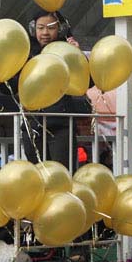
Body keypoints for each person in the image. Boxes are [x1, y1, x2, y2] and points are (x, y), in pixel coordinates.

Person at [25, 9, 91, 169]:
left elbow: (87, 82)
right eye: (40, 28)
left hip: (61, 124)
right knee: (36, 175)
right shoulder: (26, 50)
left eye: (51, 28)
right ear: (34, 29)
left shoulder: (67, 50)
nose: (45, 33)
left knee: (61, 173)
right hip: (33, 124)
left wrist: (77, 57)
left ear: (60, 29)